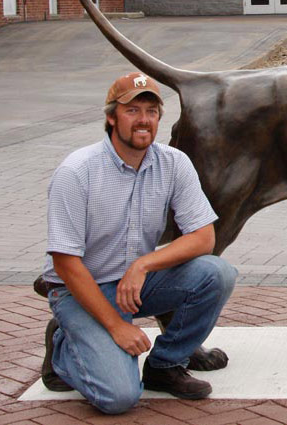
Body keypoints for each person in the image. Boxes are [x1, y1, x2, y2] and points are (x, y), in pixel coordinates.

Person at [38, 72, 237, 414]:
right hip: (80, 289)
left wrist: (143, 264)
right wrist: (116, 327)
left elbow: (204, 238)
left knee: (217, 273)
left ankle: (164, 365)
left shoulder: (173, 163)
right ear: (111, 117)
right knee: (119, 398)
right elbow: (65, 262)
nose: (143, 120)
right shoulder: (77, 172)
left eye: (152, 111)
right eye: (132, 111)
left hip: (134, 284)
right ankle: (63, 346)